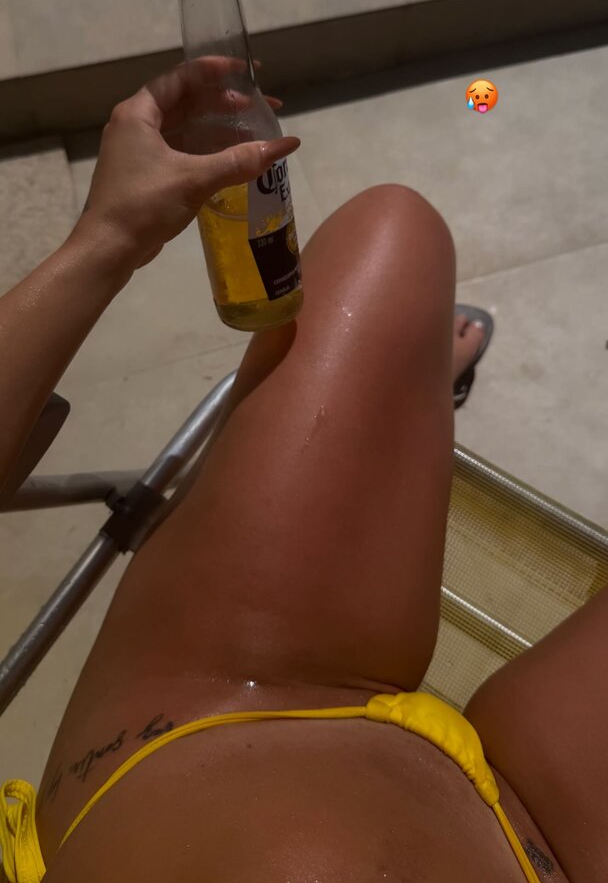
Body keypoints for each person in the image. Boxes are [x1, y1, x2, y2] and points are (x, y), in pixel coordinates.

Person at [0, 63, 605, 883]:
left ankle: (423, 387)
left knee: (393, 230)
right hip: (545, 856)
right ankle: (423, 393)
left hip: (197, 728)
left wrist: (109, 235)